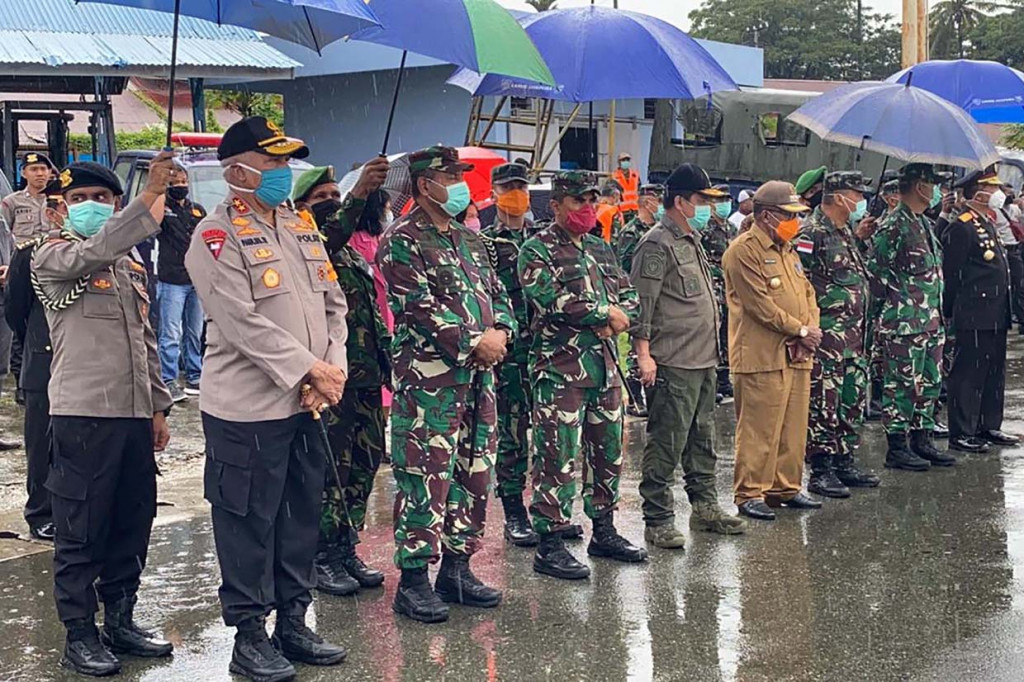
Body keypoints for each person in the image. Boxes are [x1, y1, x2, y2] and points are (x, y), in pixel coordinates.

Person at [185, 117, 350, 681]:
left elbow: (335, 304)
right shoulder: (214, 235)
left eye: (285, 162)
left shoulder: (300, 224)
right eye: (273, 162)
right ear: (238, 170)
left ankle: (294, 622)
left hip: (307, 402)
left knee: (300, 514)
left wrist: (333, 368)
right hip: (247, 408)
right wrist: (308, 369)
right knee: (248, 521)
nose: (284, 173)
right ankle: (250, 635)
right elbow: (239, 321)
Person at [33, 158, 176, 676]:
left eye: (102, 196)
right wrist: (151, 195)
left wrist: (159, 407)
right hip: (83, 412)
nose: (91, 205)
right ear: (60, 207)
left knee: (131, 521)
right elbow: (95, 249)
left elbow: (147, 341)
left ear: (116, 203)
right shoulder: (51, 255)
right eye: (79, 198)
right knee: (81, 527)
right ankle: (78, 633)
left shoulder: (130, 265)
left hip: (133, 415)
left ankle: (121, 617)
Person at [377, 145, 516, 623]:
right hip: (430, 384)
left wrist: (500, 333)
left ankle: (457, 567)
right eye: (449, 175)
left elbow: (499, 297)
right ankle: (413, 581)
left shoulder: (470, 240)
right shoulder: (400, 240)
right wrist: (474, 342)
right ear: (423, 185)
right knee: (425, 475)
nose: (458, 183)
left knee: (474, 471)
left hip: (478, 381)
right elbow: (417, 306)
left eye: (459, 175)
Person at [518, 170, 647, 580]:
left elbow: (630, 296)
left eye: (592, 201)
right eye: (578, 202)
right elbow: (553, 301)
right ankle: (550, 542)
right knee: (556, 457)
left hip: (604, 369)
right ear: (555, 206)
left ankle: (604, 531)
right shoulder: (536, 249)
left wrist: (618, 316)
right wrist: (603, 313)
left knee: (607, 454)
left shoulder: (600, 248)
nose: (587, 209)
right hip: (560, 372)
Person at [631, 163, 746, 548]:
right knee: (667, 440)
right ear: (680, 201)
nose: (707, 207)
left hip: (702, 358)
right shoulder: (656, 243)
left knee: (702, 438)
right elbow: (642, 305)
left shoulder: (690, 239)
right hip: (673, 359)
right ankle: (658, 517)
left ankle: (705, 506)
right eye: (700, 200)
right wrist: (643, 354)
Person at [292, 161, 390, 597]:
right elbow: (328, 236)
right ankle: (321, 555)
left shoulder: (350, 251)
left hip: (366, 376)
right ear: (302, 209)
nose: (332, 204)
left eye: (336, 195)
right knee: (331, 468)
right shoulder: (310, 246)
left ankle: (346, 545)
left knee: (364, 464)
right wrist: (358, 194)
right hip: (330, 378)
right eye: (322, 199)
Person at [721, 181, 822, 521]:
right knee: (758, 430)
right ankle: (750, 492)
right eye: (787, 215)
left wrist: (808, 330)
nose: (794, 222)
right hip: (761, 354)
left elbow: (807, 293)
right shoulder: (743, 251)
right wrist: (801, 330)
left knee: (793, 427)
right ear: (766, 216)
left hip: (796, 353)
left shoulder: (788, 249)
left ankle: (785, 487)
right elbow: (759, 306)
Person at [796, 171, 882, 499]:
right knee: (823, 403)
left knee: (850, 401)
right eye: (856, 194)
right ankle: (821, 469)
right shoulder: (811, 232)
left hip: (853, 338)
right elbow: (799, 281)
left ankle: (845, 460)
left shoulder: (844, 230)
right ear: (836, 196)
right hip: (827, 338)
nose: (861, 201)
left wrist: (859, 237)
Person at [867, 163, 956, 471]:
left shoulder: (923, 224)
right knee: (902, 385)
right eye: (931, 185)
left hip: (930, 321)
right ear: (920, 187)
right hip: (904, 324)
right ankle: (897, 446)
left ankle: (922, 439)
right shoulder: (894, 226)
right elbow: (875, 277)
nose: (934, 192)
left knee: (929, 383)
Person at [480, 162, 541, 548]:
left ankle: (550, 508)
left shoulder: (542, 238)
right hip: (510, 355)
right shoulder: (484, 243)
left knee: (554, 436)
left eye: (521, 187)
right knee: (512, 434)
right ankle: (514, 509)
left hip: (548, 353)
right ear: (494, 193)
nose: (516, 195)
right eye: (508, 188)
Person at [940, 168, 1019, 453]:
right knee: (968, 374)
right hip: (973, 312)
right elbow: (952, 274)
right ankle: (962, 431)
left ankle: (988, 425)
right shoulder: (962, 226)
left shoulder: (986, 221)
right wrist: (948, 313)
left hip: (995, 311)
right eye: (990, 187)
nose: (997, 192)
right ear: (977, 191)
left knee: (993, 372)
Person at [4, 180, 62, 542]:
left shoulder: (102, 251)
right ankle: (41, 513)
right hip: (42, 360)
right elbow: (16, 311)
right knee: (42, 444)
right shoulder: (28, 255)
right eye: (61, 204)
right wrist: (30, 350)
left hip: (85, 366)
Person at [156, 165, 206, 402]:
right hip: (171, 280)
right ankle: (168, 379)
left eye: (183, 181)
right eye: (174, 182)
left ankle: (195, 375)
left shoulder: (197, 210)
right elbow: (151, 225)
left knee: (195, 332)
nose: (180, 186)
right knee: (171, 333)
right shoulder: (162, 210)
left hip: (197, 278)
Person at [616, 183, 664, 418]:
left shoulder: (658, 229)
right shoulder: (630, 232)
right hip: (636, 293)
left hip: (654, 294)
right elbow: (624, 266)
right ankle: (634, 398)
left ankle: (651, 392)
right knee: (637, 347)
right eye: (658, 200)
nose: (661, 205)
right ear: (647, 202)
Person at [704, 183, 735, 402]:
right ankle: (712, 382)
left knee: (727, 335)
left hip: (728, 287)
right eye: (719, 200)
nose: (724, 204)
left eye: (727, 199)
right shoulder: (704, 228)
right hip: (713, 285)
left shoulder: (731, 228)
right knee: (712, 334)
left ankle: (724, 379)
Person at [2, 151, 57, 240]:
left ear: (49, 172)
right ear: (23, 173)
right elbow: (3, 233)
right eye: (34, 169)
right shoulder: (12, 201)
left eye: (43, 169)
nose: (39, 173)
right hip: (23, 252)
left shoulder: (60, 200)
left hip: (52, 251)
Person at [613, 152, 640, 222]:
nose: (626, 162)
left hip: (635, 209)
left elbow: (639, 191)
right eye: (623, 160)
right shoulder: (615, 176)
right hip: (622, 210)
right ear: (619, 162)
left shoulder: (635, 175)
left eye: (627, 160)